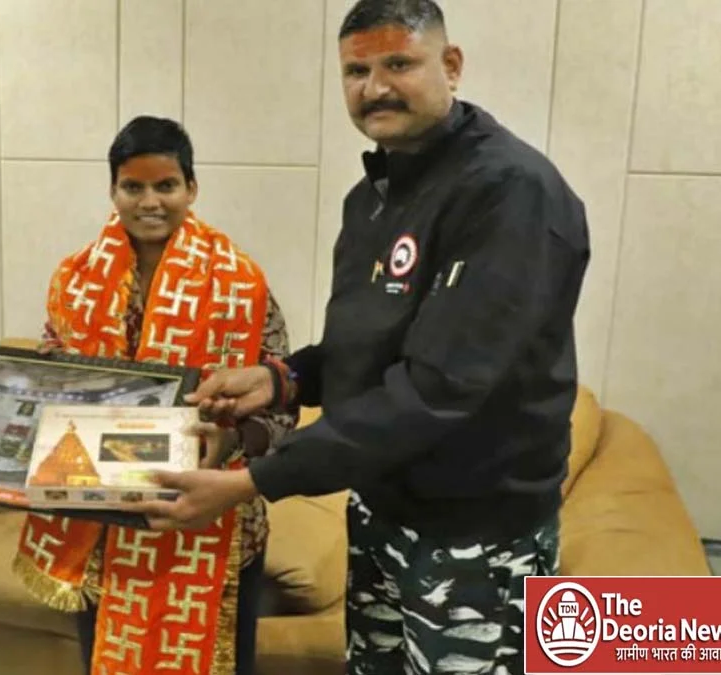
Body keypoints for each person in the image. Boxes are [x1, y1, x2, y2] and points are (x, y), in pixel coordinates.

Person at [125, 2, 591, 673]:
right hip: (378, 505)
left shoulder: (510, 193)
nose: (375, 87)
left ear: (450, 65)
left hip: (472, 530)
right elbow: (364, 347)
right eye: (357, 70)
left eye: (399, 63)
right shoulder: (372, 195)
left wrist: (250, 481)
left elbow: (436, 388)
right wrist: (283, 378)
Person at [11, 115, 298, 675]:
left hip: (212, 517)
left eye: (165, 186)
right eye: (132, 186)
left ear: (191, 189)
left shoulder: (241, 282)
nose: (149, 201)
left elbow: (282, 401)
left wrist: (235, 436)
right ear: (112, 190)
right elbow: (53, 371)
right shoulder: (74, 278)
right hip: (102, 523)